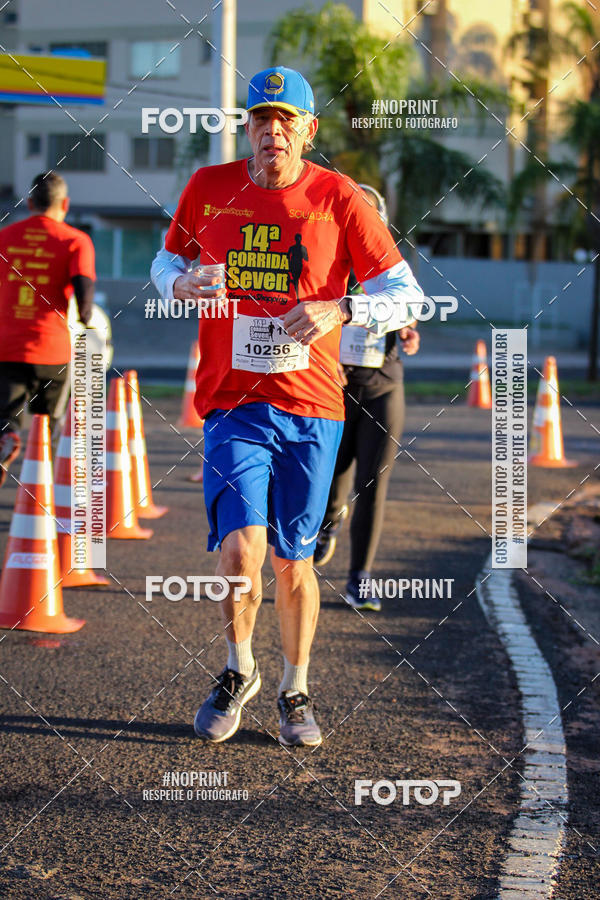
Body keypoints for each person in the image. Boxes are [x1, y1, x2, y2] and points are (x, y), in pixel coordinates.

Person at [151, 66, 424, 748]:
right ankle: (237, 669)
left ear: (309, 129)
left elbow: (407, 292)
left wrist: (344, 304)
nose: (272, 131)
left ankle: (294, 687)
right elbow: (162, 264)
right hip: (233, 404)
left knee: (292, 560)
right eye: (260, 119)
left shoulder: (336, 197)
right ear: (247, 126)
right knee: (242, 553)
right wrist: (180, 281)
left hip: (313, 408)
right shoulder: (209, 188)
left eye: (286, 120)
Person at [313, 185, 420, 612]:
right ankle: (327, 523)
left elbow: (406, 312)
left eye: (369, 214)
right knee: (331, 478)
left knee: (372, 485)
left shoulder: (391, 265)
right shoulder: (325, 259)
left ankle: (360, 579)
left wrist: (410, 333)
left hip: (382, 385)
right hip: (331, 385)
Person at [0, 172, 95, 486]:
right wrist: (84, 318)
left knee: (3, 420)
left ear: (29, 203)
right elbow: (83, 292)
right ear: (65, 204)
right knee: (46, 426)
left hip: (7, 348)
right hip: (51, 351)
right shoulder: (75, 241)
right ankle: (40, 498)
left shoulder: (6, 236)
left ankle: (8, 436)